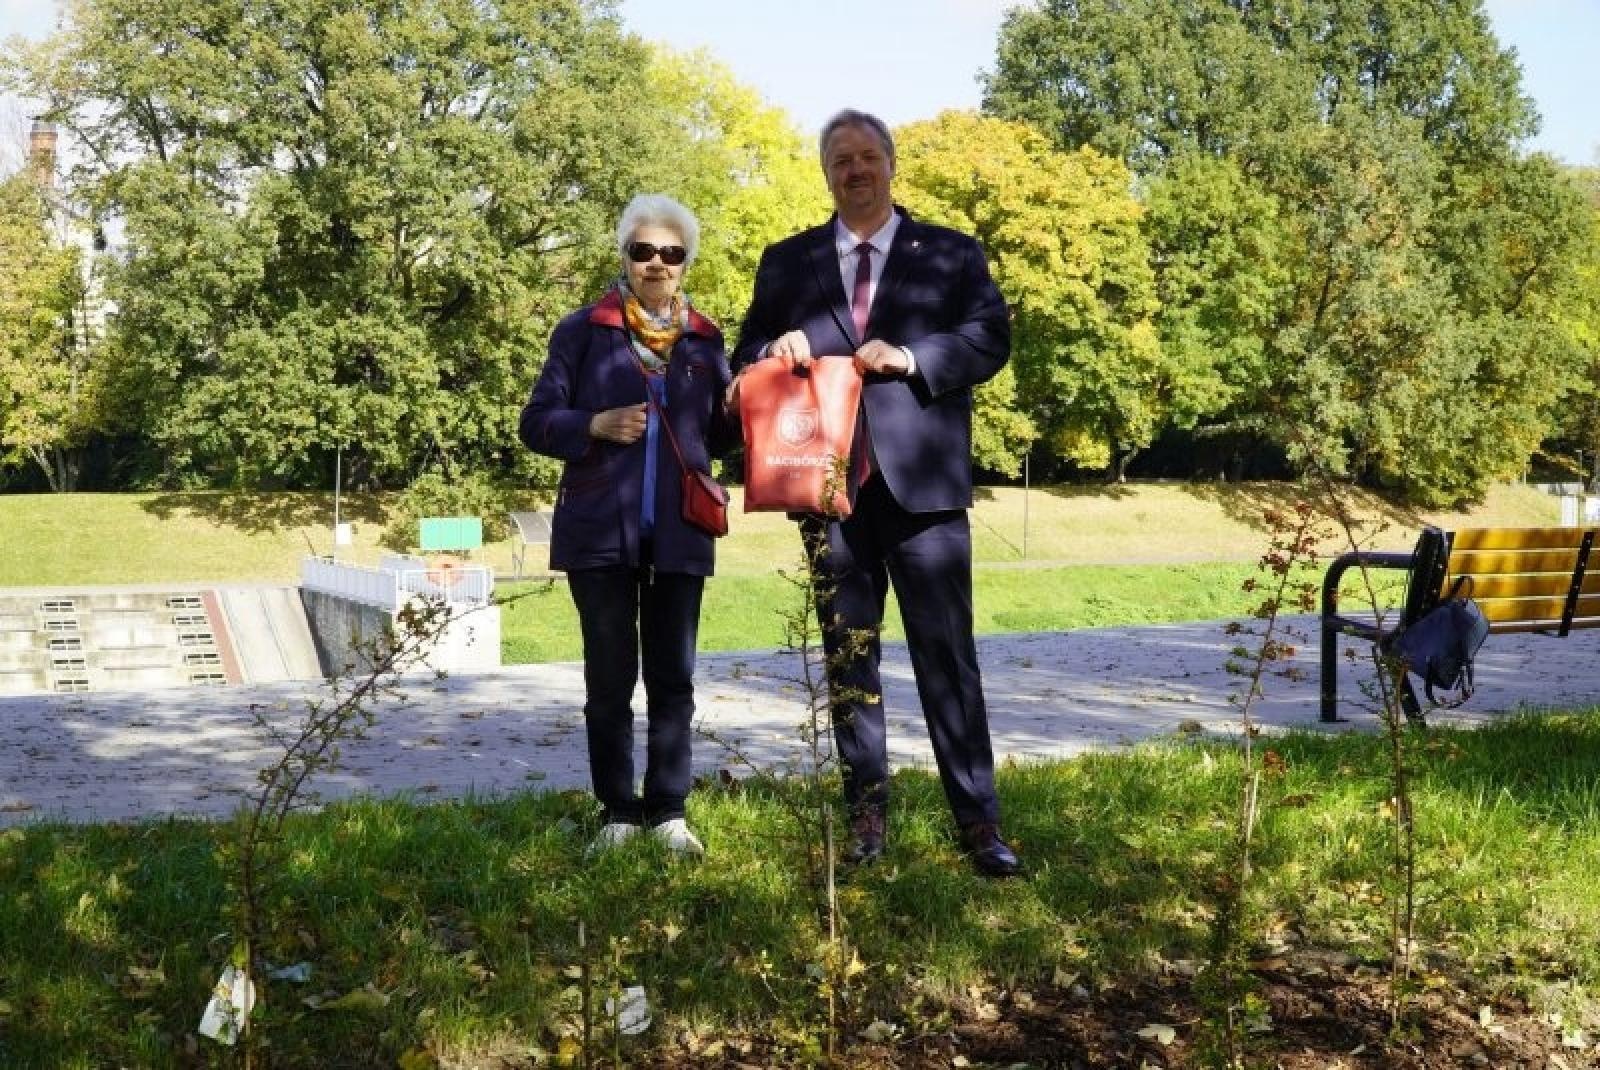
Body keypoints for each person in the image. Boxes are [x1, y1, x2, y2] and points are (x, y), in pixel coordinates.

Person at [730, 109, 1021, 878]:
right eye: (840, 161)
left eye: (867, 157)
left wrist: (915, 356)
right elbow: (744, 353)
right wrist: (772, 348)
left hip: (923, 491)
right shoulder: (787, 261)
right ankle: (866, 816)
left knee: (947, 658)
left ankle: (979, 821)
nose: (854, 170)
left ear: (891, 165)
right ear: (825, 173)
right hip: (827, 489)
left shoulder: (951, 255)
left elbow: (989, 336)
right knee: (847, 658)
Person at [520, 193, 734, 858]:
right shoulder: (582, 331)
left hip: (679, 534)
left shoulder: (705, 339)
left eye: (671, 253)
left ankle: (668, 811)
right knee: (608, 679)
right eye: (643, 251)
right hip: (599, 535)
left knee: (674, 678)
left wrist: (764, 392)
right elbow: (535, 422)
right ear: (625, 257)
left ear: (685, 262)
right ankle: (616, 812)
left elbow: (726, 434)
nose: (657, 263)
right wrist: (591, 425)